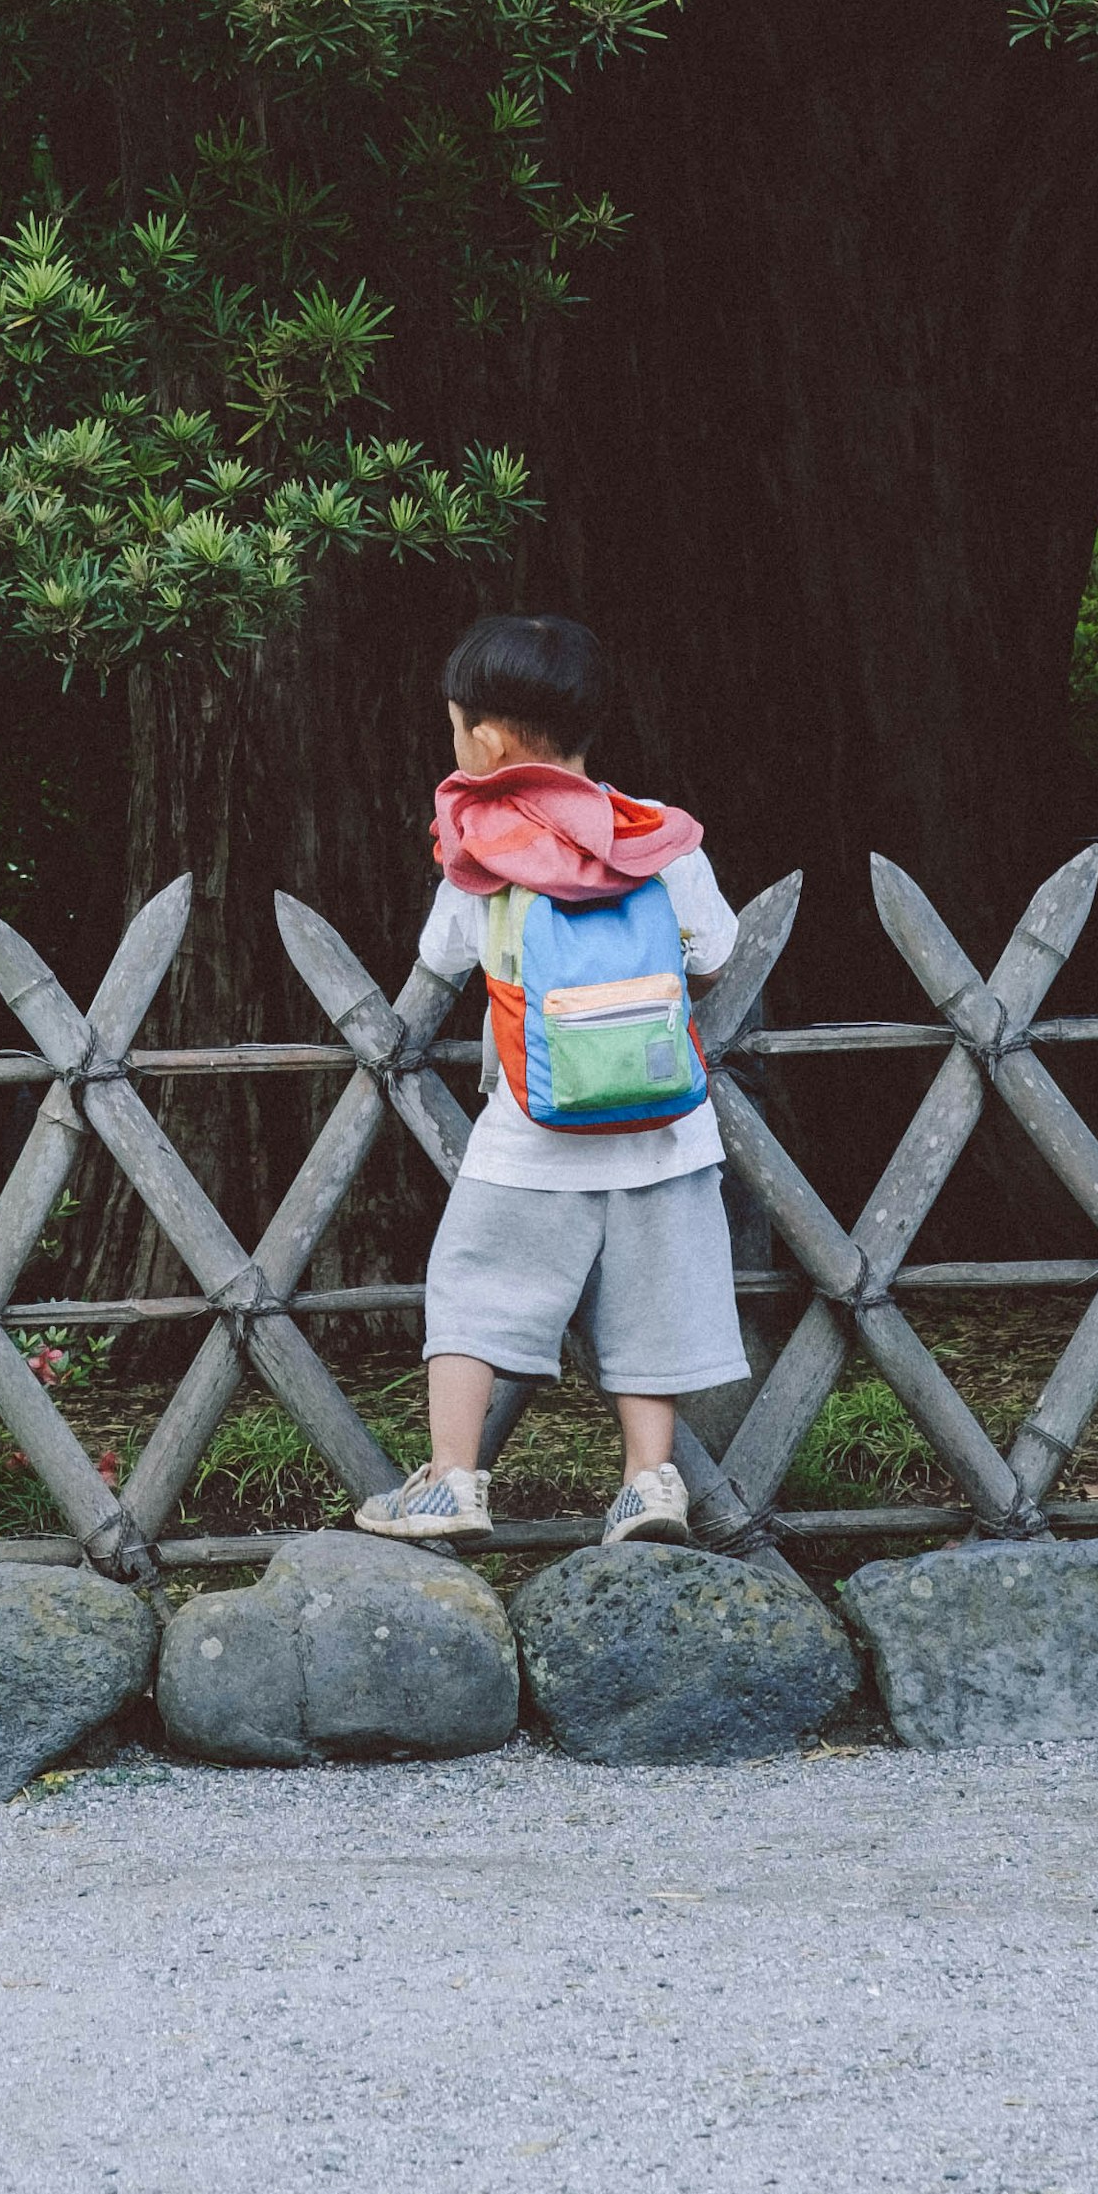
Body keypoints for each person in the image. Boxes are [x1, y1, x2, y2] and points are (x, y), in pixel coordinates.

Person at [352, 605, 741, 1553]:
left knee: (473, 1293)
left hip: (532, 1132)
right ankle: (650, 1483)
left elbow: (440, 956)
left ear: (483, 735)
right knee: (649, 1302)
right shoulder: (657, 838)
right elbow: (716, 952)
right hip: (664, 1127)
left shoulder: (482, 848)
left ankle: (452, 1484)